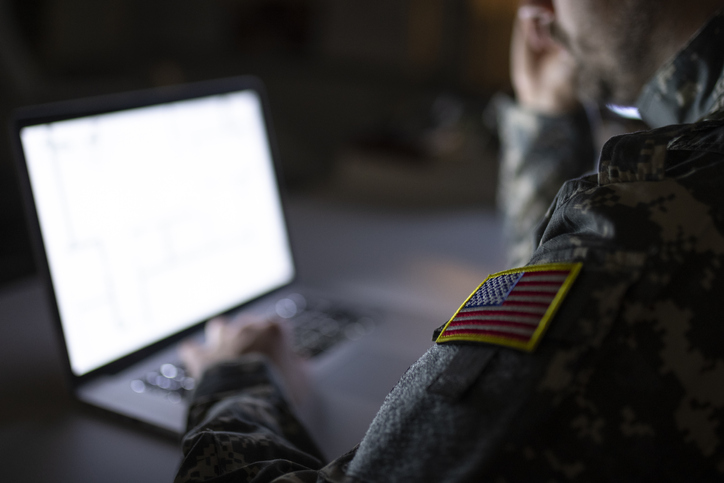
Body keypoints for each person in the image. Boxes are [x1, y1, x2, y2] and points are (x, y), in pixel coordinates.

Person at [175, 0, 724, 481]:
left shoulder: (653, 230)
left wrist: (235, 380)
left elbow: (600, 284)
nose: (534, 8)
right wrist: (544, 118)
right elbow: (568, 298)